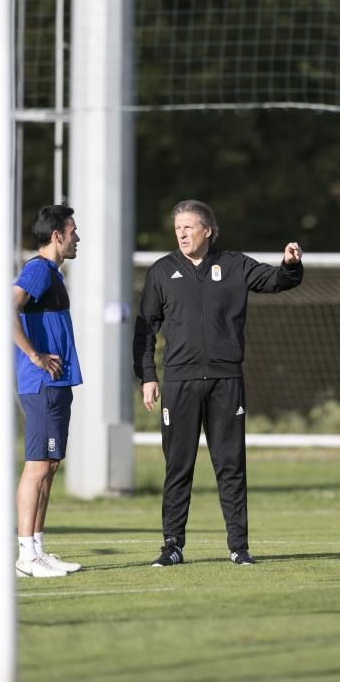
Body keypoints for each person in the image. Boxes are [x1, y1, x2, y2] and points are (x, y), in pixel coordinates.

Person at [133, 200, 303, 567]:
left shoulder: (235, 265)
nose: (181, 233)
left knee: (230, 465)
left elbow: (278, 281)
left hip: (226, 382)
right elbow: (144, 330)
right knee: (178, 467)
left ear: (207, 230)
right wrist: (147, 375)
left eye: (189, 227)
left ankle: (239, 547)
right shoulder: (162, 272)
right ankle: (172, 546)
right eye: (177, 227)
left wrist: (290, 264)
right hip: (179, 383)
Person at [13, 205, 82, 578]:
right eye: (73, 231)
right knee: (37, 466)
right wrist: (33, 355)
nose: (78, 238)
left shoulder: (51, 273)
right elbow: (7, 307)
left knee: (49, 465)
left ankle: (37, 548)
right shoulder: (38, 269)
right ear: (57, 236)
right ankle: (25, 556)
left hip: (57, 382)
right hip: (41, 383)